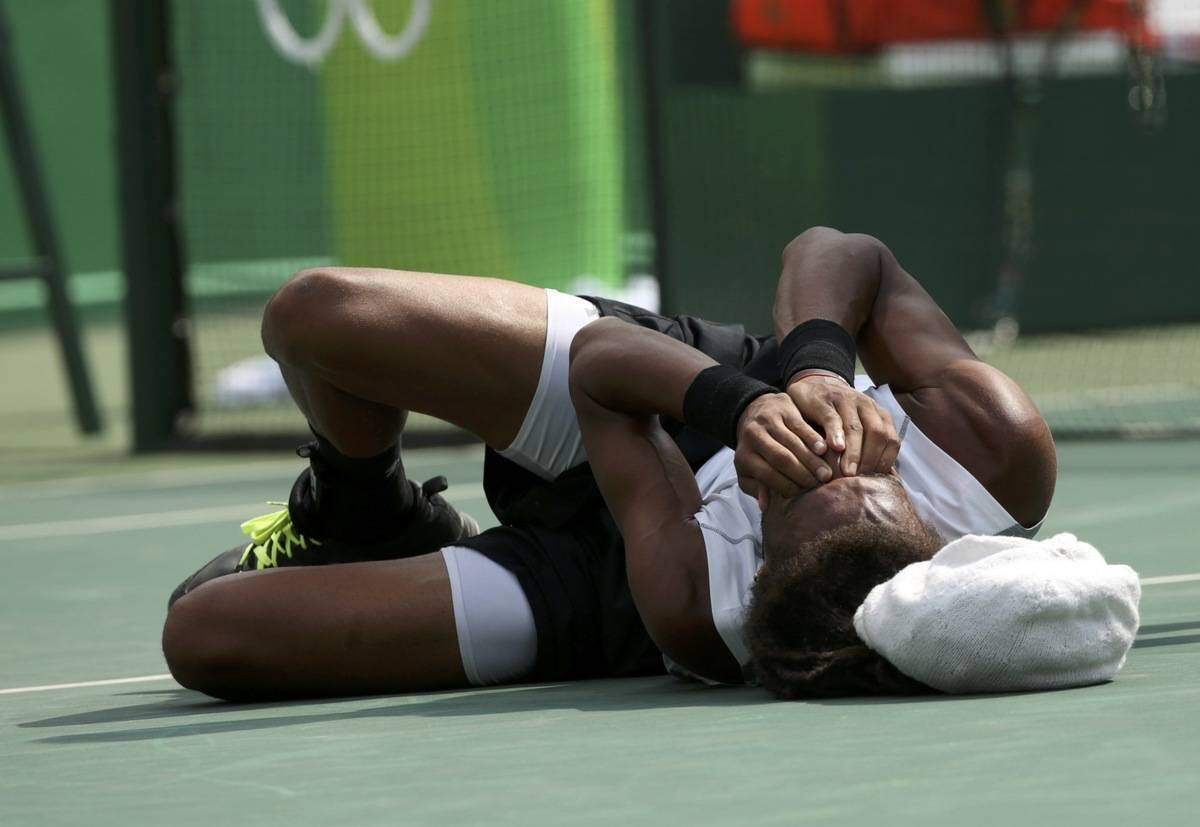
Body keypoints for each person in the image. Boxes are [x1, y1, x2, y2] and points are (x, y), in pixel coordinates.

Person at [162, 227, 1056, 701]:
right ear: (922, 527)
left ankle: (414, 540)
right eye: (855, 472)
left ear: (765, 554)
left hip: (604, 580)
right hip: (694, 391)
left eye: (791, 492)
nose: (822, 457)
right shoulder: (991, 455)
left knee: (206, 634)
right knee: (313, 316)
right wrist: (804, 375)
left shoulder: (700, 607)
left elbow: (597, 378)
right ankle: (364, 508)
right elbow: (842, 253)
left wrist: (746, 418)